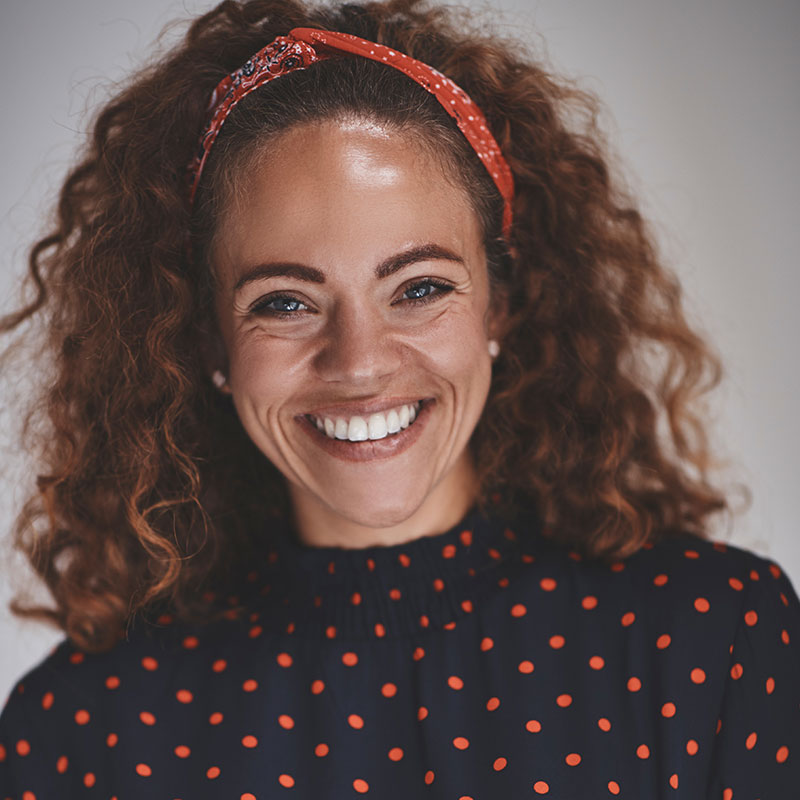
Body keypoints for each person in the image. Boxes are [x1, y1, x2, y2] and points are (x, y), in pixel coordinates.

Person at [0, 0, 798, 797]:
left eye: (419, 288)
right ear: (210, 341)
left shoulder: (716, 638)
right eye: (284, 301)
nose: (359, 364)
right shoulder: (80, 732)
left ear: (501, 306)